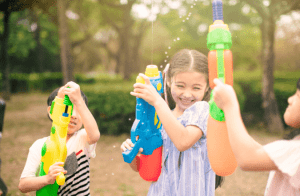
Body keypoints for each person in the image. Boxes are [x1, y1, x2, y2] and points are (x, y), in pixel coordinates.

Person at [121, 49, 223, 196]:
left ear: (207, 87)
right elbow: (144, 168)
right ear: (168, 81)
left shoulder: (203, 110)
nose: (187, 94)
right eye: (180, 86)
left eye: (196, 88)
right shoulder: (159, 118)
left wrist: (157, 100)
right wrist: (131, 151)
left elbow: (183, 141)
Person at [212, 77, 300, 195]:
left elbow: (247, 158)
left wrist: (229, 105)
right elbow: (260, 152)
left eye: (298, 96)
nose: (290, 99)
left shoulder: (296, 150)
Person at [18, 81, 100, 195]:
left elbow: (95, 135)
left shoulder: (82, 138)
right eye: (68, 108)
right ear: (51, 112)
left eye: (79, 110)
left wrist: (79, 101)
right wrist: (47, 179)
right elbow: (23, 185)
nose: (74, 115)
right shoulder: (40, 145)